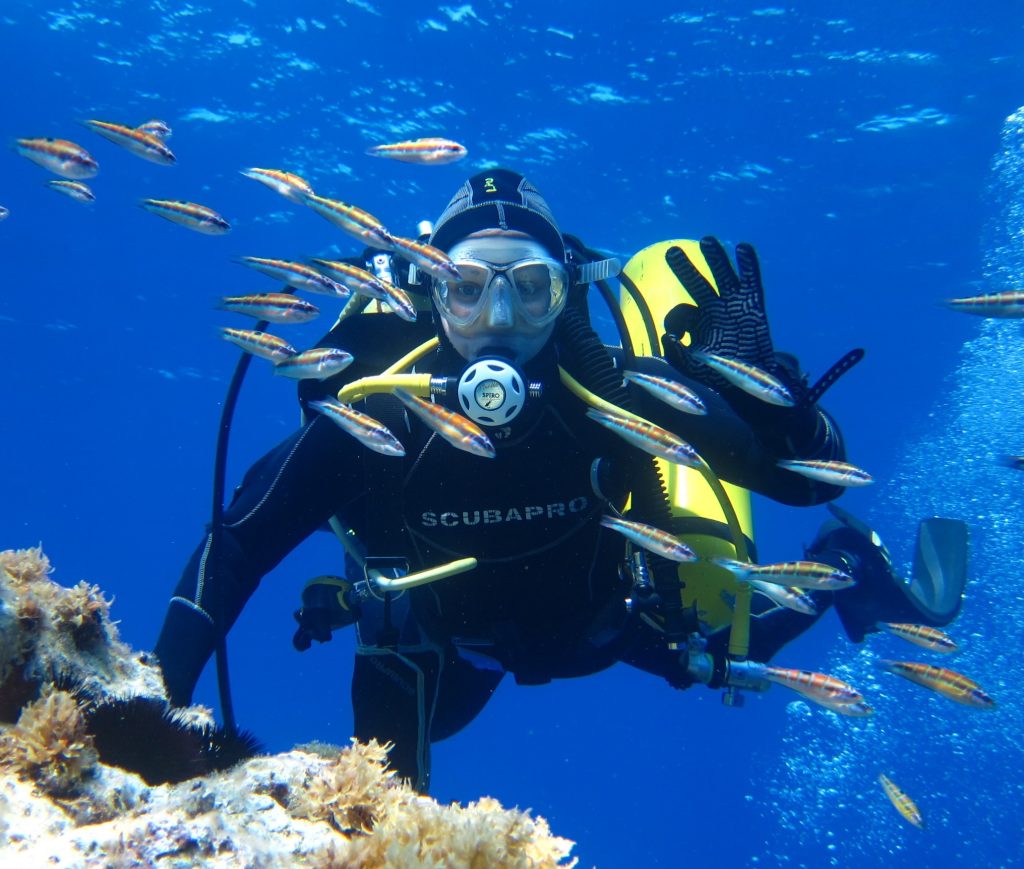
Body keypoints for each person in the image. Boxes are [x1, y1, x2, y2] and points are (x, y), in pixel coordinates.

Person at [154, 169, 965, 792]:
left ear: (565, 290)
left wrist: (777, 409)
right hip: (446, 645)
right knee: (379, 789)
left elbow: (807, 482)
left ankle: (849, 567)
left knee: (738, 643)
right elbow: (237, 543)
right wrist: (152, 714)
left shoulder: (612, 394)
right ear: (432, 292)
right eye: (468, 288)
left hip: (614, 624)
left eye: (530, 288)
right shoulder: (384, 417)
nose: (500, 320)